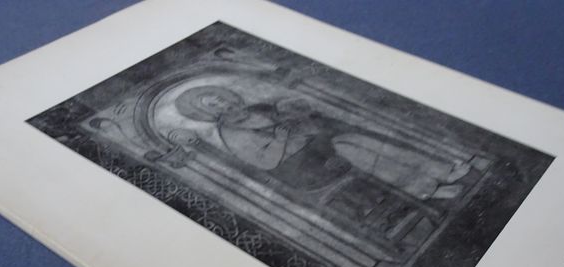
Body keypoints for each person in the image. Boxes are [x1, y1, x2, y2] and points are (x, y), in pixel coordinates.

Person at [174, 85, 472, 199]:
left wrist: (298, 114)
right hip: (300, 167)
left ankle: (443, 170)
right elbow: (265, 162)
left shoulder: (257, 109)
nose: (223, 104)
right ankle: (426, 188)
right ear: (209, 113)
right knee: (350, 146)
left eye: (221, 98)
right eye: (214, 105)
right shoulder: (232, 134)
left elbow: (300, 119)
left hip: (316, 143)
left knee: (359, 138)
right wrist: (281, 137)